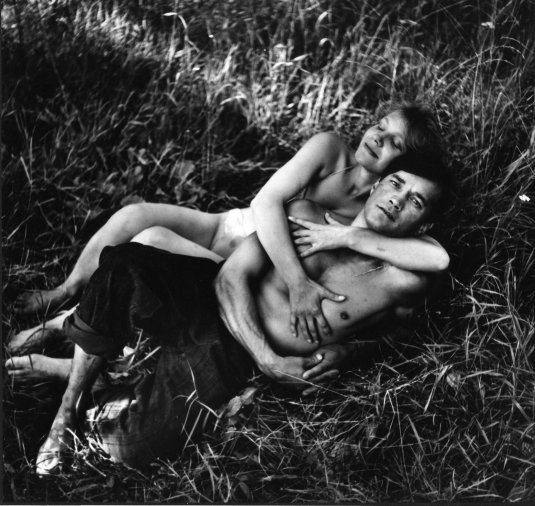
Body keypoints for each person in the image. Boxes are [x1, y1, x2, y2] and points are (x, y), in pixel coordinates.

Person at [28, 156, 452, 474]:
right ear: (376, 184)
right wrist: (269, 359)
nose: (397, 200)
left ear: (424, 226)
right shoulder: (305, 215)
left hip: (231, 359)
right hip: (211, 302)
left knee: (128, 449)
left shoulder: (403, 282)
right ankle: (66, 411)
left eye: (415, 201)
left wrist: (350, 351)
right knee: (124, 265)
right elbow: (230, 279)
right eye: (395, 183)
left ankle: (105, 382)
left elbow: (404, 326)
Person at [13, 103, 448, 344]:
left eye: (394, 143)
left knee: (150, 243)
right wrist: (297, 281)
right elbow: (266, 201)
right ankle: (67, 288)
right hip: (236, 226)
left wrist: (349, 237)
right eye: (379, 126)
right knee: (134, 215)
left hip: (248, 264)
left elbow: (430, 256)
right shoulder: (330, 151)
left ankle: (67, 325)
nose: (377, 138)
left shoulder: (382, 215)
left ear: (407, 166)